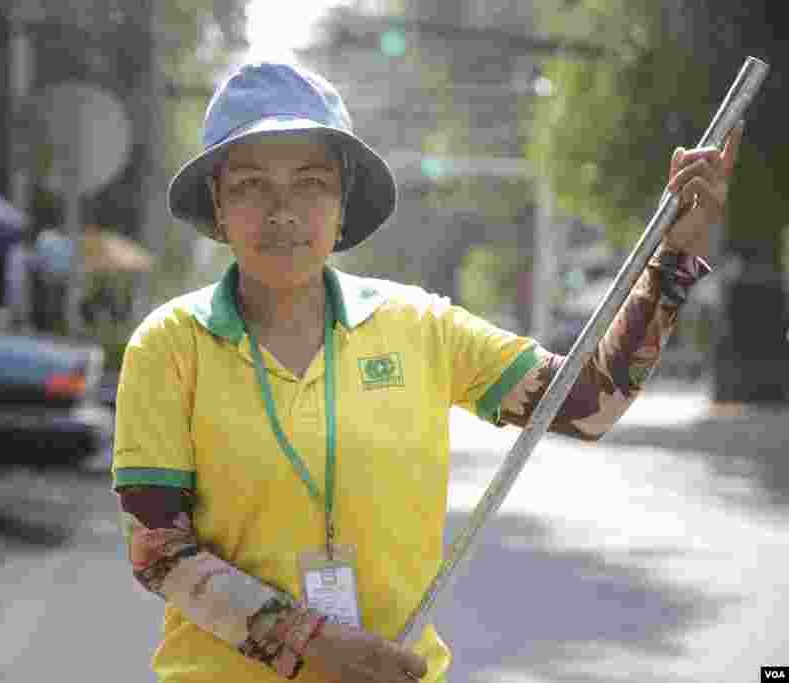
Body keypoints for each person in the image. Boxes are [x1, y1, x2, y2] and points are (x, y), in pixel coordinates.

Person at [111, 62, 742, 683]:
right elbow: (158, 551)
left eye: (310, 183)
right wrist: (314, 646)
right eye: (250, 185)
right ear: (218, 207)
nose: (283, 210)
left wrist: (676, 256)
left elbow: (588, 403)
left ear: (342, 203)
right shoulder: (170, 346)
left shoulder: (420, 326)